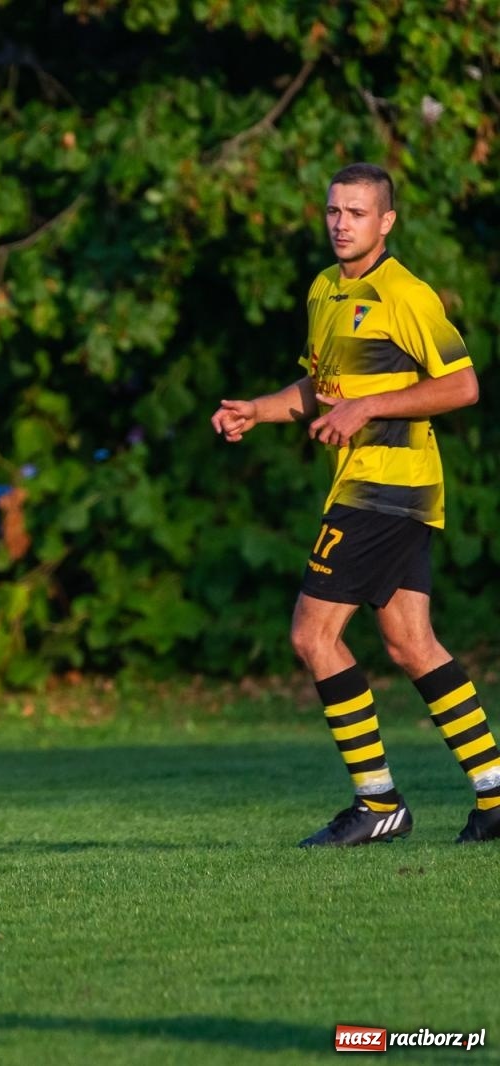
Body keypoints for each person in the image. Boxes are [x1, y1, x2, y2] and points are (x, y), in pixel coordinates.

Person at [212, 163, 499, 846]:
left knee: (312, 636)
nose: (342, 224)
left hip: (387, 486)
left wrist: (369, 407)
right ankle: (495, 795)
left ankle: (378, 803)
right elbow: (322, 390)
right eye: (334, 211)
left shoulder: (405, 294)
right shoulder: (325, 289)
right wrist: (258, 410)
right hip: (374, 486)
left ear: (386, 221)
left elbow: (462, 386)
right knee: (410, 643)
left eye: (358, 213)